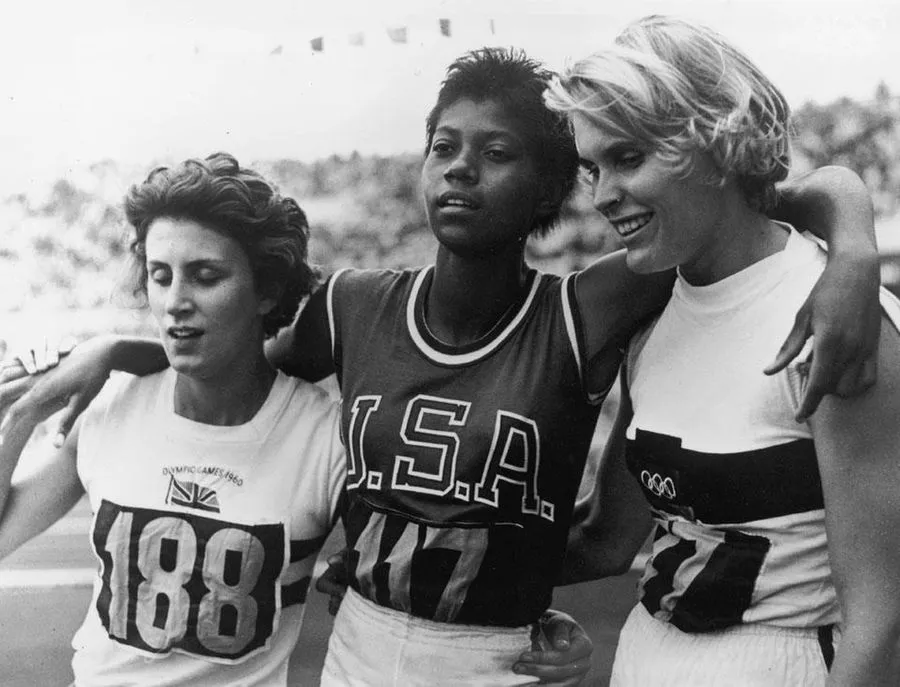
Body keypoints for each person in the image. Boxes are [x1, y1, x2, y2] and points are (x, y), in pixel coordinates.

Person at [0, 48, 882, 685]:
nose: (460, 169)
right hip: (361, 645)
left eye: (497, 155)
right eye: (443, 147)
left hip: (502, 658)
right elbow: (228, 354)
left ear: (549, 189)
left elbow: (747, 203)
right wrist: (112, 348)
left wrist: (851, 243)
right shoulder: (351, 305)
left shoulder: (589, 305)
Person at [545, 14, 900, 686]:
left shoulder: (837, 316)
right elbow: (607, 537)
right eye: (593, 167)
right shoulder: (651, 317)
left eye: (628, 159)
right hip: (646, 657)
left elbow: (881, 622)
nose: (601, 197)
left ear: (716, 143)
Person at [0, 153, 347, 685]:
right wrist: (21, 416)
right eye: (160, 276)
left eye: (205, 276)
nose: (175, 302)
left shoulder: (324, 435)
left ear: (268, 290)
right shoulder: (112, 406)